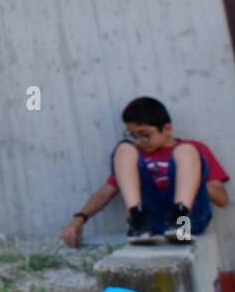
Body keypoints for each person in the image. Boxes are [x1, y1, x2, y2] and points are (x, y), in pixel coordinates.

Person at [61, 97, 229, 248]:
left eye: (144, 135)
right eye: (133, 135)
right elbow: (107, 191)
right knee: (124, 149)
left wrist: (191, 177)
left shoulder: (195, 150)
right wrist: (79, 219)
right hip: (152, 221)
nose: (139, 141)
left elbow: (222, 199)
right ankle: (139, 221)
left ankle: (180, 221)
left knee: (186, 150)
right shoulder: (135, 155)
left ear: (167, 129)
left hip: (190, 219)